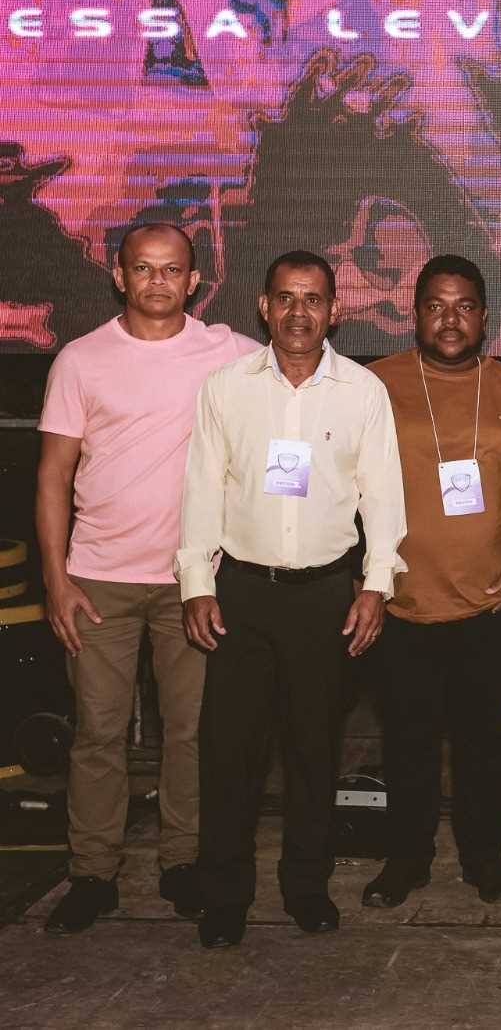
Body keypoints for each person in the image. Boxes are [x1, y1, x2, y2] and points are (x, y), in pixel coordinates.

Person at [176, 250, 406, 948]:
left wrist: (376, 585)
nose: (298, 312)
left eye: (312, 299)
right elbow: (201, 491)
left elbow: (384, 498)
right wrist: (196, 584)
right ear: (264, 307)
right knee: (230, 754)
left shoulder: (363, 391)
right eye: (285, 298)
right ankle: (225, 896)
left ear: (335, 310)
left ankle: (307, 887)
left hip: (324, 597)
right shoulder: (225, 388)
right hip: (243, 595)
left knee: (313, 751)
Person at [35, 223, 257, 935]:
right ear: (118, 275)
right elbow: (52, 476)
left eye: (171, 270)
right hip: (96, 579)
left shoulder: (229, 353)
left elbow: (304, 368)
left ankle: (181, 862)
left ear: (194, 281)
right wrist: (56, 580)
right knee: (98, 734)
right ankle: (92, 873)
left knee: (190, 733)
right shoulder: (80, 359)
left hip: (193, 583)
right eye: (143, 268)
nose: (157, 281)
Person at [363, 255, 501, 909]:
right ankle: (405, 858)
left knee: (483, 745)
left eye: (464, 306)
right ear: (415, 314)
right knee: (406, 744)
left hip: (490, 604)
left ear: (485, 317)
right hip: (402, 604)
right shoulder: (375, 385)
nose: (450, 319)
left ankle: (484, 856)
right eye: (436, 305)